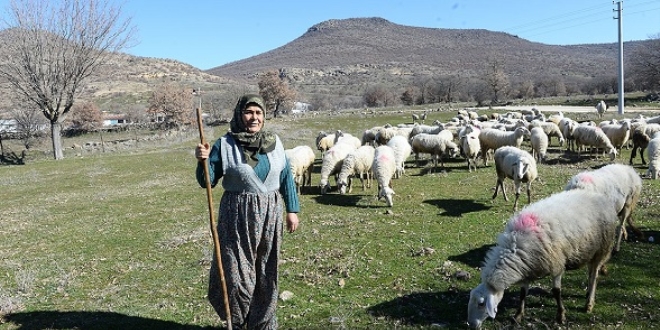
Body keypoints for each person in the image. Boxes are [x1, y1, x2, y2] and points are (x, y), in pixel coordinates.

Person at [195, 93, 300, 329]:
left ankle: (263, 324)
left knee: (266, 272)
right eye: (249, 112)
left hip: (270, 215)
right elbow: (207, 181)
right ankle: (238, 323)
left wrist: (292, 210)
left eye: (258, 112)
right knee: (236, 277)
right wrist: (202, 161)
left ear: (264, 116)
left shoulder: (275, 142)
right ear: (240, 114)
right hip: (236, 217)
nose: (254, 118)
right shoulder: (225, 145)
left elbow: (286, 177)